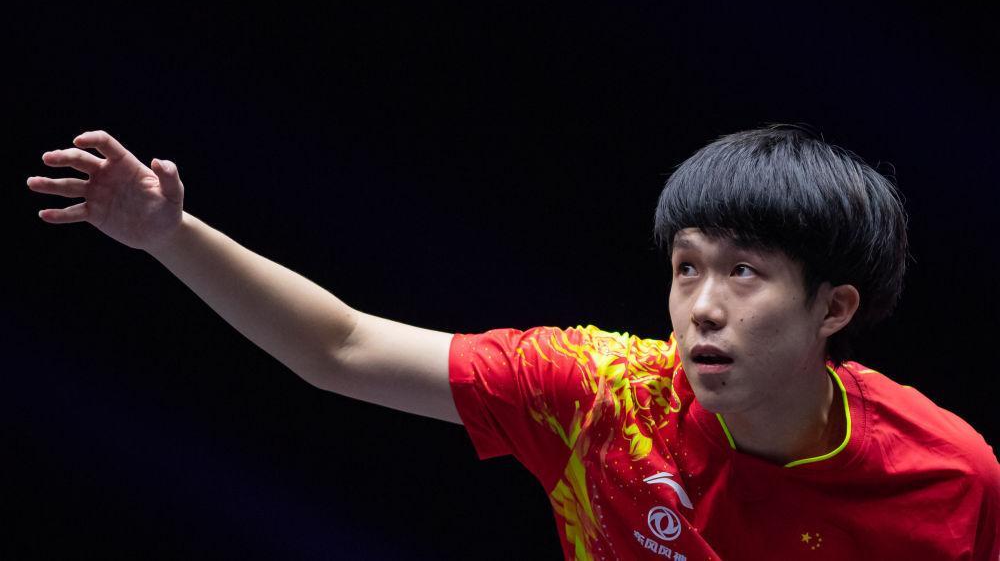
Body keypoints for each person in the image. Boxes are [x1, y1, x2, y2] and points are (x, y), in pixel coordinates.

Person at [28, 126, 999, 560]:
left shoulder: (947, 476)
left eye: (744, 272)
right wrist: (171, 236)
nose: (701, 306)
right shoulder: (598, 396)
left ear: (833, 307)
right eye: (686, 268)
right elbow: (343, 347)